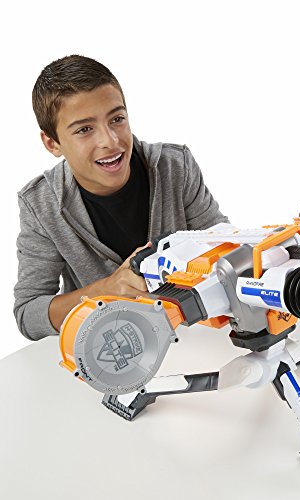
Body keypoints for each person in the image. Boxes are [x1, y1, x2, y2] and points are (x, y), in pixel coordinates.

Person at [14, 55, 228, 341]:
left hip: (194, 337)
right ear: (52, 143)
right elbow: (28, 313)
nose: (111, 141)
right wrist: (104, 291)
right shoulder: (40, 203)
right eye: (84, 129)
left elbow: (225, 247)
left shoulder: (175, 165)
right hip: (108, 348)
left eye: (117, 119)